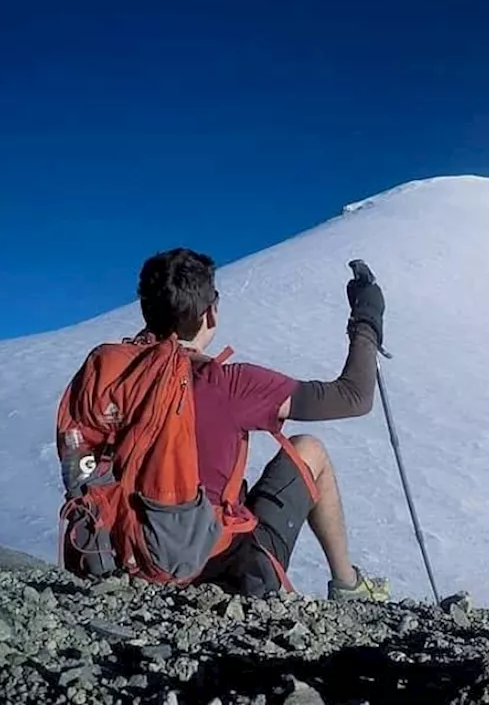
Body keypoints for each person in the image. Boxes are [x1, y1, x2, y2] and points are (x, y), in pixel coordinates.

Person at [133, 247, 390, 601]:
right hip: (213, 563)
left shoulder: (116, 378)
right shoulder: (228, 384)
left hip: (132, 553)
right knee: (309, 450)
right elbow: (354, 397)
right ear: (211, 314)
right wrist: (368, 317)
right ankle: (349, 586)